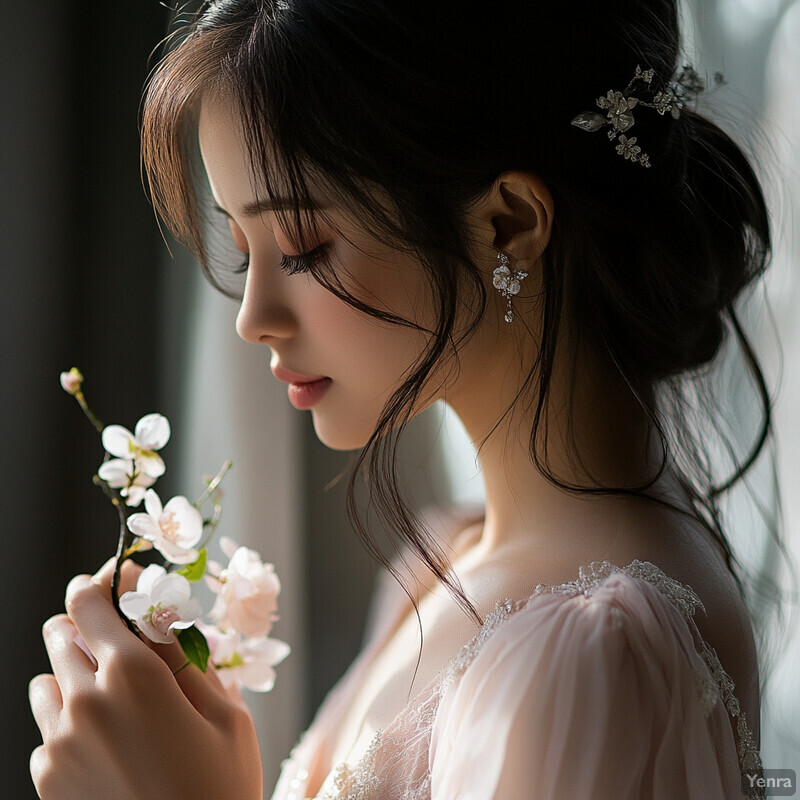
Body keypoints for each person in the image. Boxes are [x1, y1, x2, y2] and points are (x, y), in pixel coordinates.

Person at [29, 1, 778, 798]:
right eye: (244, 251)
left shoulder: (591, 658)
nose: (253, 320)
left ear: (509, 224)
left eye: (304, 247)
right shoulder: (449, 556)